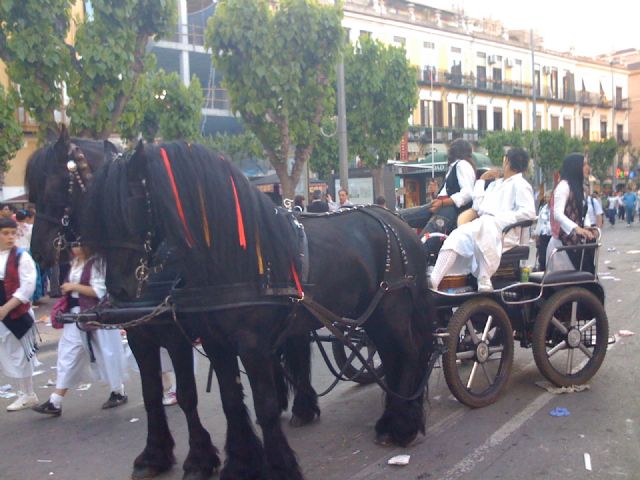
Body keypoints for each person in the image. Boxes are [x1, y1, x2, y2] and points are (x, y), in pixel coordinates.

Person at [33, 241, 128, 416]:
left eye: (79, 244)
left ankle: (118, 390)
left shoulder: (98, 262)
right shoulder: (74, 262)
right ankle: (56, 400)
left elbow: (100, 291)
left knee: (106, 353)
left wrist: (73, 286)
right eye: (73, 245)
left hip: (96, 315)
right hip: (74, 315)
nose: (75, 248)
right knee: (67, 354)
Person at [429, 148, 535, 292]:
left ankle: (484, 277)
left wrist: (500, 220)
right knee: (457, 235)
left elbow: (528, 213)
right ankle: (435, 279)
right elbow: (479, 207)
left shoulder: (521, 185)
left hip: (504, 233)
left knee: (487, 225)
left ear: (507, 161)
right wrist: (481, 181)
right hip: (483, 226)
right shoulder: (495, 184)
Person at [0, 217, 39, 411]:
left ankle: (28, 393)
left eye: (12, 233)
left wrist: (6, 308)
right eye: (5, 233)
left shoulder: (21, 256)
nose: (9, 237)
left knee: (20, 354)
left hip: (14, 313)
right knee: (6, 354)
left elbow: (27, 286)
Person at [546, 153, 597, 273]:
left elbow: (584, 211)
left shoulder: (579, 188)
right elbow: (557, 214)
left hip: (577, 243)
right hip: (563, 245)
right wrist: (576, 228)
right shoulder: (563, 187)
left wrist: (588, 227)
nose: (587, 167)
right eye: (583, 164)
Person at [424, 139, 476, 234]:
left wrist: (443, 203)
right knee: (403, 216)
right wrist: (435, 195)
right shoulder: (454, 167)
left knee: (424, 240)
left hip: (449, 210)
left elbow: (468, 193)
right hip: (443, 206)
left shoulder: (462, 164)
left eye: (450, 149)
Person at [533, 194, 552, 271]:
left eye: (548, 196)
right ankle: (542, 271)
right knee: (542, 256)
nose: (547, 198)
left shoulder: (556, 208)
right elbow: (540, 222)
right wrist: (536, 234)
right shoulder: (543, 208)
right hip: (543, 235)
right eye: (546, 197)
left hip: (551, 235)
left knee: (551, 256)